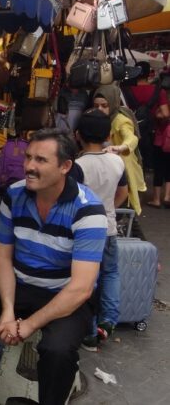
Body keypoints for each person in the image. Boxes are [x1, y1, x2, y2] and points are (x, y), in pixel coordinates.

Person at [0, 128, 107, 405]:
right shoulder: (15, 195)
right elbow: (3, 257)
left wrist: (28, 325)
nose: (29, 166)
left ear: (65, 166)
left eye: (41, 160)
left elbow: (81, 288)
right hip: (20, 284)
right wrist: (8, 310)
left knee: (57, 350)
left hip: (66, 295)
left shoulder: (88, 210)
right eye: (28, 157)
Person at [70, 109, 128, 352]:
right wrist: (107, 211)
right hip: (110, 228)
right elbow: (123, 193)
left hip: (85, 233)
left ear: (77, 135)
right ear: (108, 135)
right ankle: (108, 322)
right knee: (111, 273)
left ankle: (90, 331)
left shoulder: (77, 166)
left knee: (88, 280)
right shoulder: (117, 161)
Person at [92, 84, 148, 215]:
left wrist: (120, 147)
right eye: (96, 106)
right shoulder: (97, 118)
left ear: (113, 103)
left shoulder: (121, 120)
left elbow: (131, 138)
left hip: (123, 168)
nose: (99, 109)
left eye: (104, 106)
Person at [126, 62, 170, 208]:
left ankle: (132, 196)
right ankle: (145, 191)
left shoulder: (126, 90)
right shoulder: (159, 92)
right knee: (151, 164)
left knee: (132, 162)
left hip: (130, 131)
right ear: (149, 73)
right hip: (151, 132)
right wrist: (156, 115)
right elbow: (165, 113)